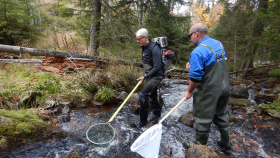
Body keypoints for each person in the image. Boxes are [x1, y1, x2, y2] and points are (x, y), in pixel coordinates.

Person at [183, 23, 231, 150]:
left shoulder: (197, 52)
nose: (190, 38)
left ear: (196, 34)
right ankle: (226, 142)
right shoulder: (218, 44)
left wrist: (189, 91)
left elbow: (195, 78)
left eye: (190, 35)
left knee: (202, 118)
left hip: (208, 91)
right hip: (224, 87)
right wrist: (192, 65)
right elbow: (214, 62)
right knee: (221, 113)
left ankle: (199, 147)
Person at [135, 28, 164, 128]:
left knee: (143, 94)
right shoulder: (144, 47)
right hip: (150, 75)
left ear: (145, 37)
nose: (138, 41)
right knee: (152, 95)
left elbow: (157, 66)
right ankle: (156, 115)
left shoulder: (155, 48)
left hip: (156, 76)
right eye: (137, 39)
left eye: (139, 39)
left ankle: (143, 121)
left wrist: (145, 76)